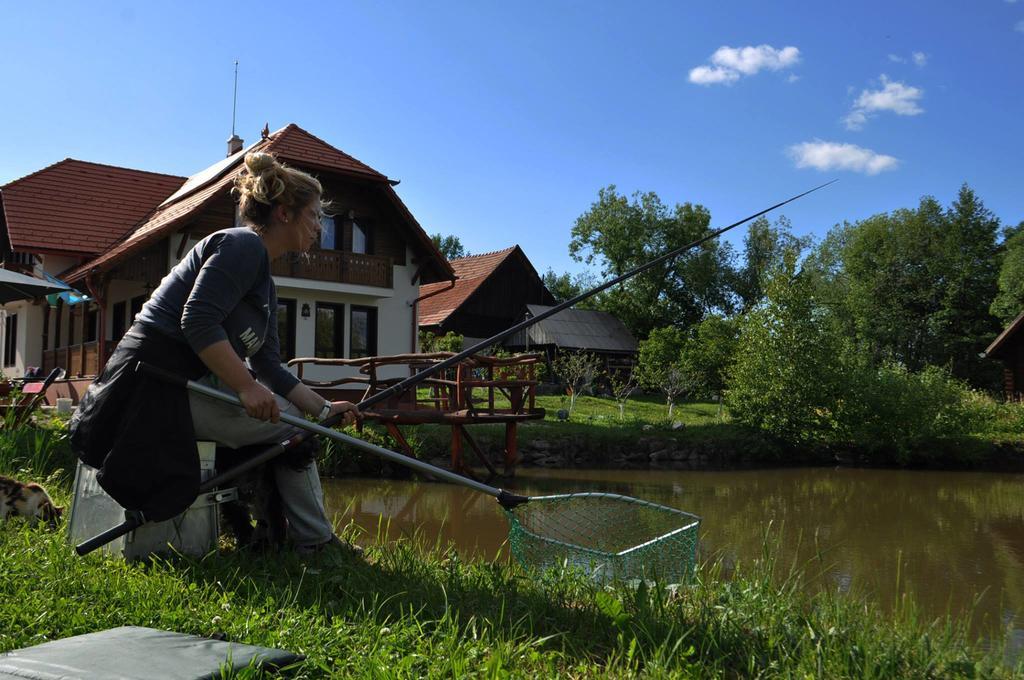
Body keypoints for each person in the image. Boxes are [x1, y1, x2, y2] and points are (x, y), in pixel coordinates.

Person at [70, 151, 359, 557]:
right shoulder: (243, 246)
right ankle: (316, 542)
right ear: (283, 214)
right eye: (314, 215)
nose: (320, 228)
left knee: (301, 420)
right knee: (294, 428)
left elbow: (269, 367)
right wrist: (244, 388)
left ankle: (280, 534)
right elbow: (198, 321)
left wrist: (326, 410)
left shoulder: (264, 284)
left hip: (176, 386)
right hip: (150, 386)